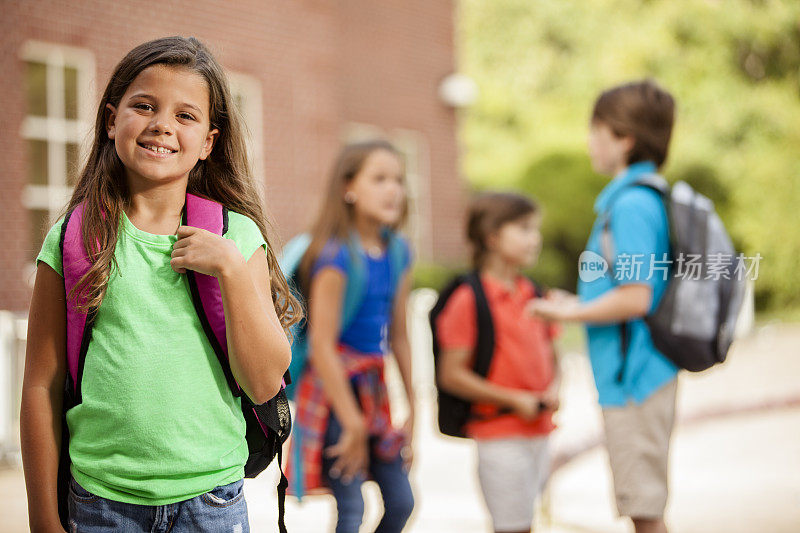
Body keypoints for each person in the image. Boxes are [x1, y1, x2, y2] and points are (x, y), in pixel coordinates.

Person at [20, 36, 297, 533]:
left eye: (186, 116)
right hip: (101, 506)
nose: (162, 125)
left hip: (211, 504)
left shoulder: (237, 237)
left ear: (209, 142)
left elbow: (263, 382)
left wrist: (231, 271)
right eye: (143, 105)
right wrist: (42, 518)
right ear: (111, 120)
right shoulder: (72, 239)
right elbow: (40, 385)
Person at [530, 79, 679, 533]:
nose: (590, 141)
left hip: (634, 380)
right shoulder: (637, 198)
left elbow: (636, 296)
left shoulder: (632, 205)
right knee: (643, 506)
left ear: (624, 137)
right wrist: (577, 302)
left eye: (596, 130)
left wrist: (564, 313)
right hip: (638, 375)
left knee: (645, 512)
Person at [287, 140, 416, 533]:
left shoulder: (398, 252)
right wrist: (352, 423)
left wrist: (414, 408)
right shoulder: (335, 256)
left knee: (401, 502)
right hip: (334, 396)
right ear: (349, 188)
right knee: (352, 509)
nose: (393, 189)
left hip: (373, 393)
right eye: (379, 179)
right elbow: (323, 346)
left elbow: (400, 337)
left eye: (398, 179)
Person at [435, 192, 560, 533]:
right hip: (499, 435)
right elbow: (451, 375)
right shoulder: (467, 299)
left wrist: (554, 388)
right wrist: (514, 399)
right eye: (523, 229)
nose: (535, 238)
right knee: (513, 526)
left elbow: (552, 355)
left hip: (540, 431)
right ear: (491, 237)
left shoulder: (535, 293)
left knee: (527, 522)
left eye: (535, 228)